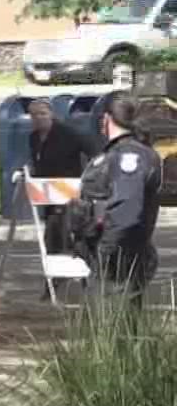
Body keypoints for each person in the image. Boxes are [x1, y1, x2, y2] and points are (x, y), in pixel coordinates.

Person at [74, 93, 162, 309]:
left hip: (118, 265)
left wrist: (107, 252)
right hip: (106, 264)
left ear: (106, 118)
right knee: (100, 330)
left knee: (116, 331)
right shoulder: (115, 153)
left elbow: (126, 213)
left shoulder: (129, 157)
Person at [26, 99, 101, 257]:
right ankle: (55, 269)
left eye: (43, 113)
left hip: (68, 189)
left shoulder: (67, 133)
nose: (39, 118)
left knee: (62, 230)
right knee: (52, 229)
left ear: (51, 114)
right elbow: (37, 162)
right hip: (46, 191)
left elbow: (93, 151)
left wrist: (90, 175)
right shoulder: (33, 138)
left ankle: (66, 265)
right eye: (34, 115)